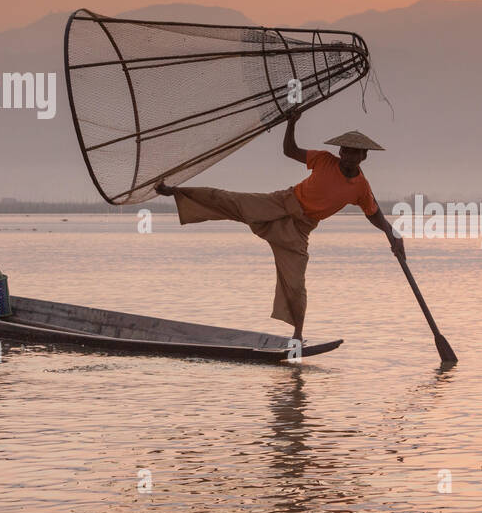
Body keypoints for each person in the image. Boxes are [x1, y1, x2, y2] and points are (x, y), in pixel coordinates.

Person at [156, 114, 404, 342]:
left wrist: (392, 234)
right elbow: (290, 150)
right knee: (228, 200)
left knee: (295, 283)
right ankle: (174, 192)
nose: (349, 156)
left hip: (299, 229)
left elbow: (374, 213)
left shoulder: (360, 187)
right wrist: (292, 122)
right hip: (280, 203)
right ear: (340, 151)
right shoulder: (324, 160)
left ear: (364, 157)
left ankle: (297, 334)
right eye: (346, 151)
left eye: (356, 153)